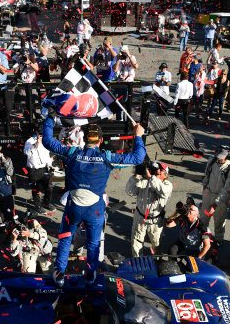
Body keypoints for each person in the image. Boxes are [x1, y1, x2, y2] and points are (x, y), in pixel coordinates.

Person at [42, 118, 146, 287]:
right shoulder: (106, 157)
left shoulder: (72, 153)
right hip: (94, 210)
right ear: (101, 141)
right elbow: (138, 158)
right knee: (93, 243)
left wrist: (48, 117)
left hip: (74, 207)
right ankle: (90, 275)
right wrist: (138, 136)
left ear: (84, 139)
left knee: (65, 237)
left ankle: (59, 274)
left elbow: (47, 141)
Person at [126, 161, 173, 257]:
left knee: (156, 244)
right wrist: (136, 175)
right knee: (136, 244)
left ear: (165, 175)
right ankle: (138, 263)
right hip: (140, 218)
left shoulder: (167, 185)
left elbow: (163, 191)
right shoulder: (144, 181)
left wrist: (152, 177)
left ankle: (157, 262)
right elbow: (129, 191)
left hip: (156, 220)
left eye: (160, 171)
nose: (157, 173)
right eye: (156, 171)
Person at [200, 145, 230, 241]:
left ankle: (217, 243)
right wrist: (204, 194)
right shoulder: (212, 161)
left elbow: (227, 190)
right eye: (218, 156)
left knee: (219, 223)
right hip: (208, 194)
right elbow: (206, 177)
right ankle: (203, 241)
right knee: (203, 220)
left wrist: (216, 204)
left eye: (221, 157)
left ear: (228, 157)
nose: (219, 158)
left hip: (221, 200)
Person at [24, 129, 54, 215]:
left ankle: (46, 203)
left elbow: (47, 154)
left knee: (49, 187)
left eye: (42, 134)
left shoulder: (46, 141)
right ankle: (38, 206)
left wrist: (50, 164)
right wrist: (36, 143)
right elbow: (27, 152)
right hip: (33, 170)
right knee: (36, 189)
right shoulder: (29, 141)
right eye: (39, 134)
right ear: (36, 133)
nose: (41, 135)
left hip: (44, 168)